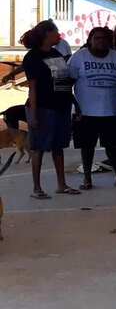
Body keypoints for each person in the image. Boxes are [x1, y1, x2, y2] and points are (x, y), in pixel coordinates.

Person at [68, 26, 116, 190]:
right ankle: (87, 179)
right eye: (97, 38)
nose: (101, 41)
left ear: (109, 41)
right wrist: (75, 106)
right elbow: (66, 85)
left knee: (114, 147)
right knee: (87, 147)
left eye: (104, 38)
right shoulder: (78, 57)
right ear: (90, 40)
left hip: (112, 111)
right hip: (86, 112)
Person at [22, 20, 76, 199]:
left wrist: (75, 105)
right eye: (55, 31)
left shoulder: (56, 54)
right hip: (43, 108)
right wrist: (34, 114)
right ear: (46, 34)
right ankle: (37, 188)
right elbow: (33, 87)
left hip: (60, 106)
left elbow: (63, 83)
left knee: (58, 146)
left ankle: (62, 185)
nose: (58, 34)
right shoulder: (32, 57)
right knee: (38, 147)